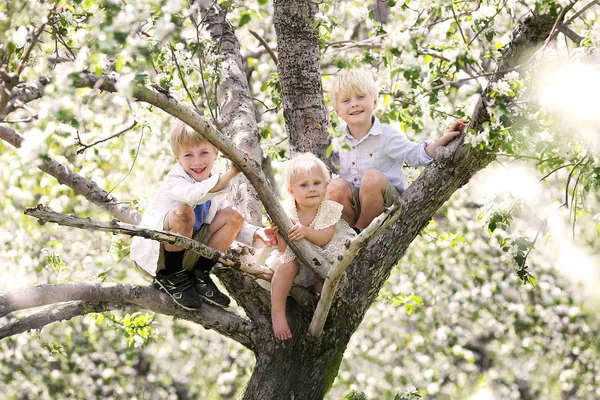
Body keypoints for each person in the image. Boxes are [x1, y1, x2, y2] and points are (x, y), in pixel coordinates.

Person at [130, 121, 276, 310]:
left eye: (204, 153)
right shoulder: (175, 180)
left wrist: (257, 233)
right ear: (178, 159)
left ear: (216, 154)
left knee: (233, 216)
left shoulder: (213, 179)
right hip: (161, 258)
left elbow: (225, 218)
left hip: (187, 253)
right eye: (188, 155)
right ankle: (171, 278)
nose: (197, 161)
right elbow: (195, 194)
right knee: (184, 213)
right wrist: (232, 172)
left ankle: (200, 274)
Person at [326, 68, 468, 232]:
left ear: (374, 102)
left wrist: (444, 139)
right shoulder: (337, 140)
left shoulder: (386, 136)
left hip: (384, 203)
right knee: (336, 186)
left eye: (360, 97)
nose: (354, 103)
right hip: (354, 205)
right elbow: (326, 167)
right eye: (346, 101)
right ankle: (346, 234)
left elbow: (416, 155)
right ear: (337, 111)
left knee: (371, 177)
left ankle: (360, 231)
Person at [260, 153, 356, 340]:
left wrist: (305, 231)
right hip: (294, 258)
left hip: (322, 254)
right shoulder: (285, 211)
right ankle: (277, 312)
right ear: (292, 191)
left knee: (327, 279)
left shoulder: (329, 209)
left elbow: (324, 238)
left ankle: (317, 305)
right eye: (304, 185)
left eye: (317, 183)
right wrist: (280, 233)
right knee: (286, 267)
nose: (311, 189)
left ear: (326, 186)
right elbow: (281, 250)